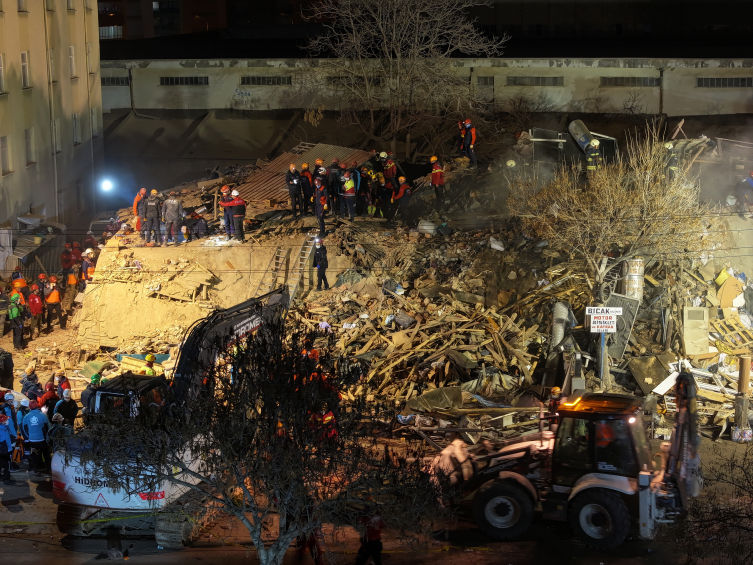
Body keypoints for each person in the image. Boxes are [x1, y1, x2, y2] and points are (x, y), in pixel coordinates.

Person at [22, 400, 50, 473]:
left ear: (29, 407)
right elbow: (47, 427)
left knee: (34, 454)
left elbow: (24, 428)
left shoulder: (26, 417)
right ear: (37, 406)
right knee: (46, 453)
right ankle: (48, 468)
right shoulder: (43, 415)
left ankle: (35, 468)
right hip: (42, 439)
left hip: (32, 439)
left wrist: (29, 436)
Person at [0, 414, 15, 485]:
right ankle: (7, 479)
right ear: (2, 422)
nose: (7, 421)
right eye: (5, 420)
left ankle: (5, 477)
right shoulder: (2, 430)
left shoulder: (4, 427)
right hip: (5, 451)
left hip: (4, 450)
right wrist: (9, 450)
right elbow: (4, 442)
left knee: (2, 463)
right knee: (7, 465)